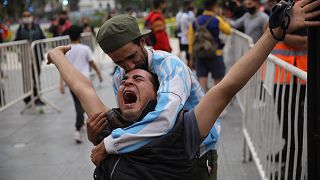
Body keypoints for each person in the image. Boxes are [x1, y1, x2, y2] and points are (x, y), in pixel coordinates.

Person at [47, 1, 320, 179]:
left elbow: (225, 88)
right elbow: (85, 90)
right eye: (121, 66)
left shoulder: (181, 120)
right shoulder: (119, 122)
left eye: (135, 67)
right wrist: (101, 133)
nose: (128, 72)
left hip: (196, 154)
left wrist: (273, 34)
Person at [96, 14, 222, 179]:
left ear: (142, 41)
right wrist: (97, 134)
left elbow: (164, 118)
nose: (129, 66)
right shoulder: (120, 77)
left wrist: (110, 143)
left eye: (132, 56)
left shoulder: (171, 66)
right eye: (119, 62)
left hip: (195, 155)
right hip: (157, 154)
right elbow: (130, 119)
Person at [61, 25, 103, 143]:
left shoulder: (66, 50)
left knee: (78, 104)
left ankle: (82, 126)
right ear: (80, 35)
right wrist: (99, 74)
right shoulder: (85, 48)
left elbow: (63, 67)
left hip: (71, 82)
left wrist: (62, 83)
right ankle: (78, 128)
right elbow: (92, 63)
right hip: (85, 81)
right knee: (86, 105)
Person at [189, 0, 232, 93]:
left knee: (202, 83)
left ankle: (203, 104)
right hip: (215, 54)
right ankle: (216, 105)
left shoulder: (195, 21)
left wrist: (191, 57)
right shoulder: (217, 20)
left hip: (200, 55)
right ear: (215, 6)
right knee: (218, 83)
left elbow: (191, 41)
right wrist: (221, 16)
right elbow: (228, 31)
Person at [15, 11, 46, 106]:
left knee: (36, 76)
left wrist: (41, 49)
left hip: (36, 55)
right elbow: (16, 40)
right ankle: (27, 97)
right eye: (24, 16)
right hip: (25, 56)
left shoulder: (37, 27)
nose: (26, 17)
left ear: (32, 17)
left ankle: (37, 97)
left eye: (28, 16)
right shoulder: (20, 28)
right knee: (27, 77)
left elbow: (43, 38)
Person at [180, 0, 195, 69]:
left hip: (185, 39)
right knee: (190, 56)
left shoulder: (182, 15)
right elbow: (190, 27)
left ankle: (189, 69)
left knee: (188, 56)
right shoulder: (187, 16)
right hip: (188, 39)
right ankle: (189, 70)